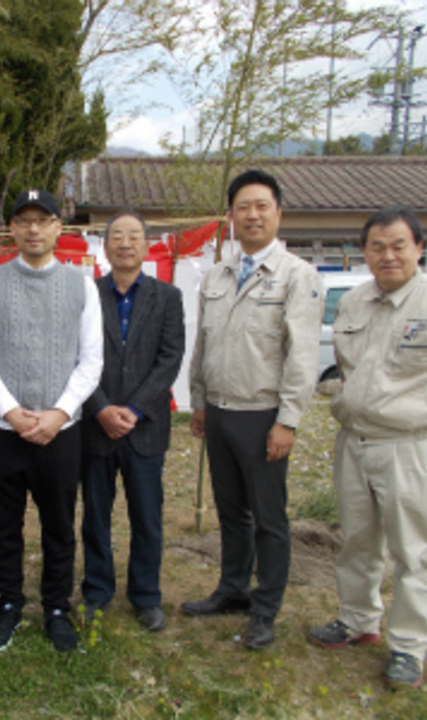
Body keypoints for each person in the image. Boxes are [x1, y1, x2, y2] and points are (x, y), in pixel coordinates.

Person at [308, 207, 427, 689]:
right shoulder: (354, 302)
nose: (388, 256)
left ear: (419, 248)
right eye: (377, 247)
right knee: (357, 541)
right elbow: (348, 369)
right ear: (364, 252)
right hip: (354, 441)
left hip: (409, 445)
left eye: (398, 246)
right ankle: (358, 618)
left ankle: (408, 645)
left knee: (411, 552)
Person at [184, 169, 323, 650]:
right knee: (231, 511)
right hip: (219, 412)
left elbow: (303, 356)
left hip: (263, 415)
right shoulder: (217, 274)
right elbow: (202, 344)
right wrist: (199, 401)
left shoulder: (297, 276)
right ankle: (233, 590)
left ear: (278, 213)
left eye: (262, 205)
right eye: (243, 206)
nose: (253, 214)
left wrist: (288, 420)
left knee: (269, 517)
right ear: (231, 216)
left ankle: (265, 610)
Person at [0, 188, 103, 653]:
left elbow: (91, 359)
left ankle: (57, 607)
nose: (33, 229)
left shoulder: (82, 285)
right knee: (5, 523)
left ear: (58, 228)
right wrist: (9, 410)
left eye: (42, 221)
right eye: (24, 221)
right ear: (12, 230)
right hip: (3, 429)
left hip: (61, 431)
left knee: (59, 523)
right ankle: (9, 603)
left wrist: (60, 412)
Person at [80, 211, 184, 632]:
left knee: (147, 516)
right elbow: (77, 357)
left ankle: (146, 596)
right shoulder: (86, 294)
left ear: (146, 246)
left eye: (134, 236)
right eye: (116, 236)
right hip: (95, 424)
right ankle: (97, 591)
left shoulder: (168, 297)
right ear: (104, 246)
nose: (125, 243)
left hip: (145, 427)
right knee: (95, 515)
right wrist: (102, 407)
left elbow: (169, 359)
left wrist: (135, 408)